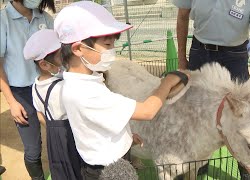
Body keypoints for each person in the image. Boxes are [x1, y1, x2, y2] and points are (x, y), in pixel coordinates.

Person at [54, 1, 189, 179]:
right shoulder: (87, 93)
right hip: (109, 170)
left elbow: (98, 125)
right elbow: (148, 111)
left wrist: (126, 138)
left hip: (104, 161)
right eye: (108, 45)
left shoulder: (82, 81)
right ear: (79, 48)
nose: (113, 51)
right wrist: (168, 81)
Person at [172, 0, 250, 179]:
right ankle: (196, 163)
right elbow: (182, 16)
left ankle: (247, 171)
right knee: (194, 114)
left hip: (234, 56)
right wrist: (181, 59)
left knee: (242, 117)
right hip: (199, 51)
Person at [0, 0, 56, 179]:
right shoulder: (3, 19)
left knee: (60, 135)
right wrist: (12, 101)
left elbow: (58, 53)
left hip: (49, 87)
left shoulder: (45, 18)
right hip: (21, 92)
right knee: (33, 147)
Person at [23, 29, 83, 180]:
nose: (65, 58)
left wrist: (54, 130)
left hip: (54, 138)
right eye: (61, 56)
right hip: (71, 136)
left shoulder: (35, 86)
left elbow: (40, 116)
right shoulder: (63, 87)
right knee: (77, 169)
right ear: (44, 64)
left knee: (62, 170)